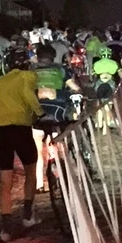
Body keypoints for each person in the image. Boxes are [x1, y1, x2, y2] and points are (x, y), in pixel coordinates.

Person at [0, 46, 43, 241]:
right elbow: (28, 94)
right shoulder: (28, 76)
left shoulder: (0, 81)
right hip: (20, 127)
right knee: (30, 170)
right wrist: (40, 113)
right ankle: (27, 215)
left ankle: (5, 228)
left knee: (6, 178)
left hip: (0, 129)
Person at [31, 43, 82, 189]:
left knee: (38, 151)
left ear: (38, 57)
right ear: (53, 57)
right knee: (61, 147)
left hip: (37, 116)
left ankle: (40, 184)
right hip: (57, 114)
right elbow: (75, 88)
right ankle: (68, 178)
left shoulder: (30, 71)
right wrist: (78, 93)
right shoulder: (61, 69)